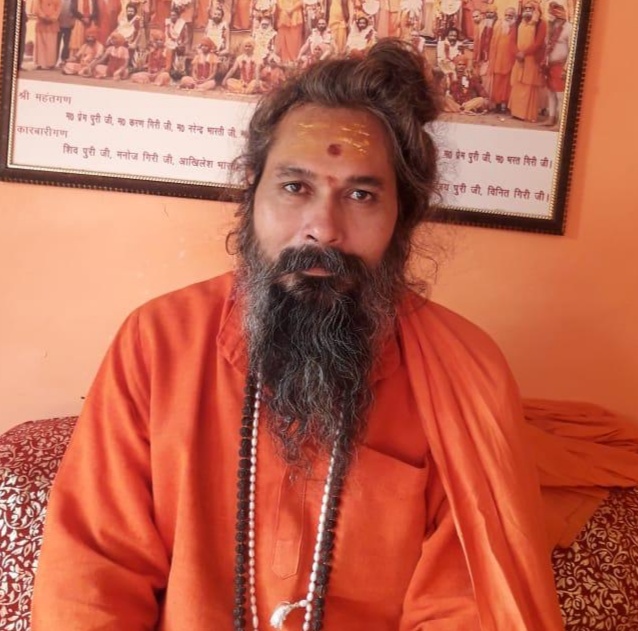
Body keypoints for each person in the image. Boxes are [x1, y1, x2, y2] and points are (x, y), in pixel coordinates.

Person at [30, 38, 638, 630]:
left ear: (403, 215)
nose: (322, 228)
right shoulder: (157, 343)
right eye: (295, 187)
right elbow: (92, 580)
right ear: (253, 193)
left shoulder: (465, 373)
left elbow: (465, 606)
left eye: (361, 194)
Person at [508, 0, 546, 122]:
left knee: (529, 85)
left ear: (536, 11)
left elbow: (538, 43)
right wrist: (517, 53)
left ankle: (527, 114)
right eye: (526, 8)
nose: (528, 10)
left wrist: (524, 53)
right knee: (518, 84)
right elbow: (511, 40)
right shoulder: (518, 22)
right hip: (519, 59)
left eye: (531, 8)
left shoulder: (541, 24)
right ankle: (516, 112)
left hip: (531, 59)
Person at [542, 0, 572, 127]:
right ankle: (551, 118)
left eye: (556, 10)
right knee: (551, 93)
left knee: (560, 95)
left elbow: (572, 50)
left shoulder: (569, 28)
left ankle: (560, 123)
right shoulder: (551, 28)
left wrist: (566, 68)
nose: (553, 15)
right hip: (550, 65)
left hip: (561, 66)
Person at [487, 5, 517, 113]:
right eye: (506, 15)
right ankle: (498, 105)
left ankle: (506, 105)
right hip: (498, 60)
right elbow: (493, 43)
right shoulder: (498, 26)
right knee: (497, 84)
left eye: (510, 15)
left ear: (514, 17)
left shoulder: (516, 28)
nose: (508, 17)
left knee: (507, 85)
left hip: (510, 61)